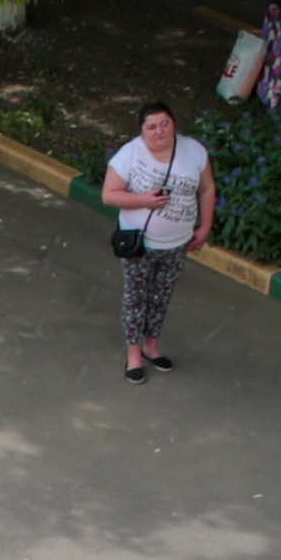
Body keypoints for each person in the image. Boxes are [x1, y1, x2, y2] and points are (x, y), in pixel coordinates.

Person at [101, 102, 212, 378]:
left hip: (177, 243)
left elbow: (207, 188)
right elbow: (109, 195)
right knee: (136, 297)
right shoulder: (130, 154)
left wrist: (205, 226)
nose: (159, 131)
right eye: (151, 127)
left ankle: (152, 346)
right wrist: (144, 201)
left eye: (164, 124)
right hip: (140, 244)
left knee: (161, 296)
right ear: (142, 131)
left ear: (174, 124)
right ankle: (133, 356)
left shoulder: (194, 151)